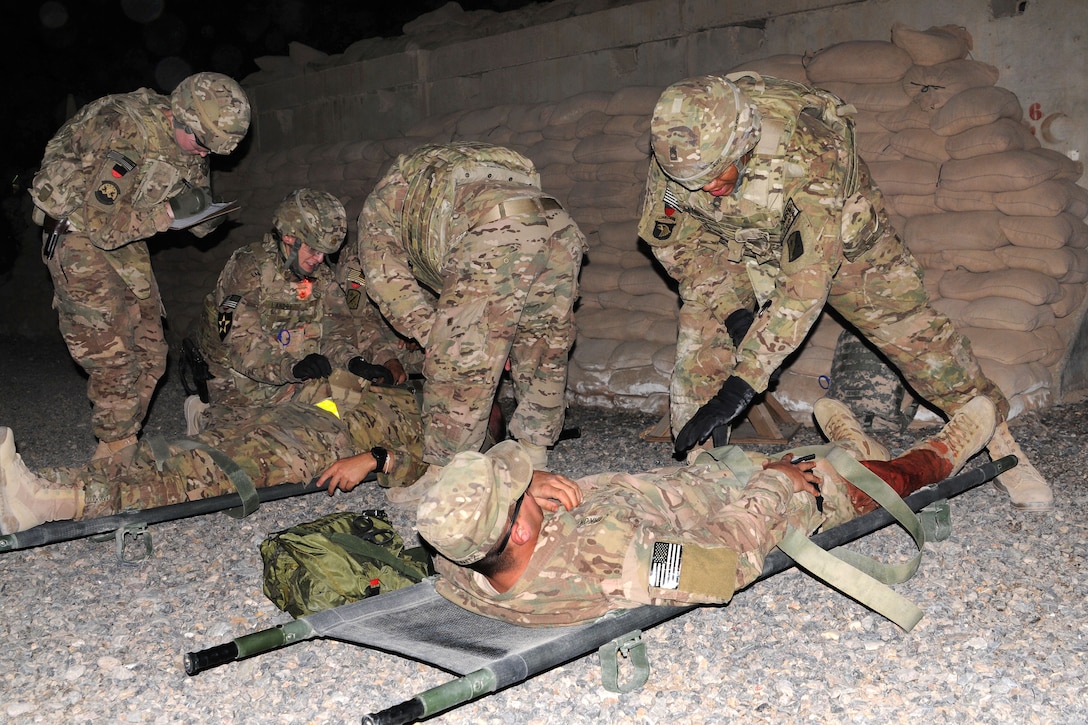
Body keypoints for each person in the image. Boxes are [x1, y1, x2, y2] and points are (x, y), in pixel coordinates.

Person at [636, 72, 1051, 512]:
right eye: (694, 180)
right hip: (740, 251)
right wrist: (735, 311)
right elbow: (676, 245)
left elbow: (803, 288)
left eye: (717, 175)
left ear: (744, 141)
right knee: (698, 359)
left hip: (847, 248)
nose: (705, 188)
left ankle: (1005, 449)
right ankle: (706, 481)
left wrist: (743, 384)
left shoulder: (810, 150)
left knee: (925, 348)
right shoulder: (679, 160)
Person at [415, 395, 996, 626]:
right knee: (856, 481)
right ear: (516, 527)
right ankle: (942, 452)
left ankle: (849, 447)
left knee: (816, 456)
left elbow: (449, 511)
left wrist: (529, 483)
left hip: (697, 480)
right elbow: (720, 566)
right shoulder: (614, 565)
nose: (526, 488)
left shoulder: (460, 558)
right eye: (516, 495)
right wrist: (776, 487)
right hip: (758, 505)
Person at [28, 72, 251, 462]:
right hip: (77, 233)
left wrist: (206, 215)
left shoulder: (196, 142)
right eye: (201, 144)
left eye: (212, 150)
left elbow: (192, 207)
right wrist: (168, 213)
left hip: (125, 237)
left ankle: (121, 437)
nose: (204, 155)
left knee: (151, 348)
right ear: (179, 116)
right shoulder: (124, 126)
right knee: (112, 353)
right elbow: (101, 227)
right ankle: (115, 453)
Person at [338, 142, 588, 474]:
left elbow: (388, 283)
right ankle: (534, 459)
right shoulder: (443, 184)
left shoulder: (379, 209)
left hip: (495, 230)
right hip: (559, 223)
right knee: (545, 347)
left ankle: (449, 476)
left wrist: (439, 339)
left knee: (460, 363)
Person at [0, 370, 426, 535]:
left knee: (199, 473)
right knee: (164, 452)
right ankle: (37, 482)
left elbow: (437, 468)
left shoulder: (444, 429)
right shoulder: (407, 390)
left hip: (313, 445)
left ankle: (52, 503)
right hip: (286, 417)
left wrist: (374, 459)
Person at [189, 188, 405, 432]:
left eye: (325, 253)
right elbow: (243, 348)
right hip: (242, 389)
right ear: (289, 238)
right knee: (264, 449)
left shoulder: (321, 278)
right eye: (314, 250)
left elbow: (337, 334)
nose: (321, 260)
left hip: (294, 382)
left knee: (355, 406)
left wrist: (355, 362)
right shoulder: (249, 269)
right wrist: (292, 367)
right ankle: (203, 413)